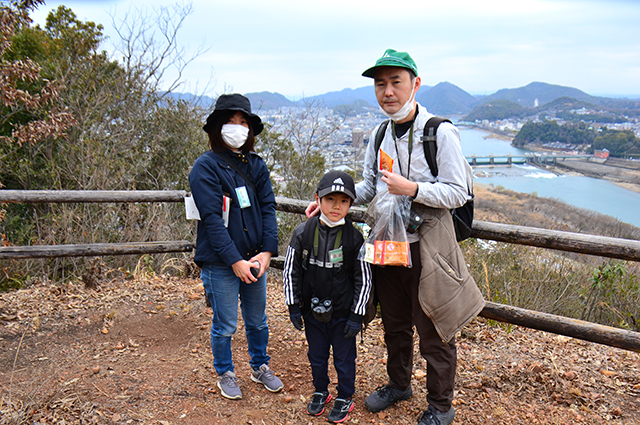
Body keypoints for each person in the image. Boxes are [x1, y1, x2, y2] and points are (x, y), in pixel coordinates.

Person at [306, 49, 484, 425]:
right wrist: (328, 203)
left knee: (435, 328)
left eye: (395, 82)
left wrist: (413, 188)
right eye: (380, 84)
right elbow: (370, 186)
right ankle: (399, 384)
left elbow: (457, 192)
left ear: (415, 84)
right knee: (395, 322)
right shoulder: (379, 133)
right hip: (388, 245)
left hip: (428, 248)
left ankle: (440, 405)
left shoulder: (440, 132)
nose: (387, 91)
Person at [189, 93, 283, 400]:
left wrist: (267, 252)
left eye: (243, 122)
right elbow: (212, 220)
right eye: (230, 121)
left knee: (257, 319)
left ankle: (260, 366)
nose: (237, 128)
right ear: (217, 126)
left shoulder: (256, 165)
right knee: (226, 322)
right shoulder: (205, 167)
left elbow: (268, 208)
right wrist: (233, 260)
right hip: (220, 261)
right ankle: (225, 371)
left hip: (255, 256)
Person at [283, 170, 373, 423]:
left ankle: (345, 395)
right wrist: (293, 306)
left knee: (345, 358)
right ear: (318, 199)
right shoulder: (303, 233)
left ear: (351, 204)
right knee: (317, 355)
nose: (336, 206)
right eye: (330, 199)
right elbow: (291, 270)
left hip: (343, 314)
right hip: (312, 312)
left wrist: (357, 315)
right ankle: (320, 390)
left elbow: (363, 278)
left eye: (344, 201)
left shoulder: (355, 239)